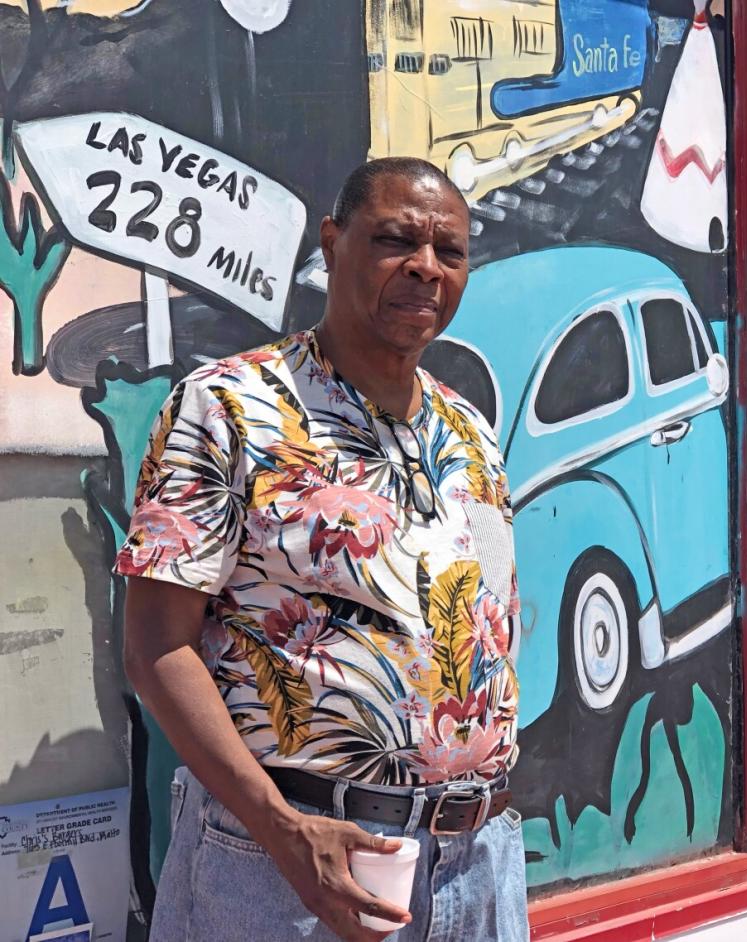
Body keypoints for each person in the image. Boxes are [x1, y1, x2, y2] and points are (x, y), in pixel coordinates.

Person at [119, 157, 527, 941]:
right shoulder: (230, 408)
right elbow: (156, 649)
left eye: (450, 252)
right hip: (288, 868)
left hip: (477, 871)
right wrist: (282, 830)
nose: (425, 268)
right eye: (396, 240)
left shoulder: (470, 433)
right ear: (332, 245)